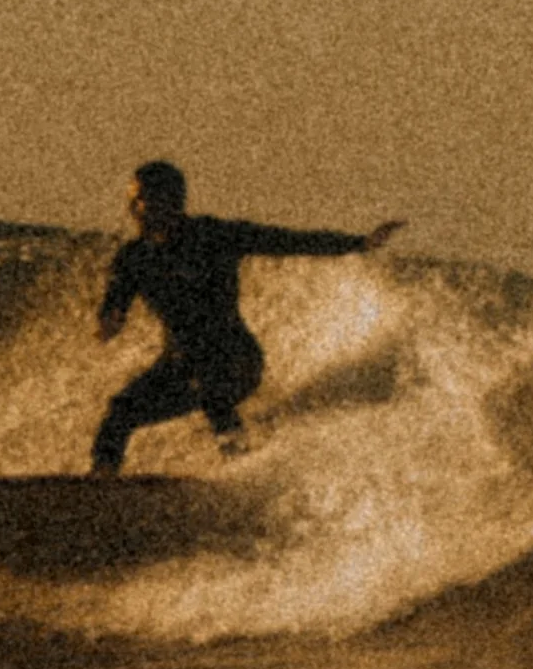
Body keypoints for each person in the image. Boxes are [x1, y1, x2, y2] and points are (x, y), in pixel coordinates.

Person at [90, 162, 402, 474]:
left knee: (212, 392)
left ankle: (240, 474)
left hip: (237, 360)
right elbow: (114, 304)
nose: (133, 208)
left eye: (140, 198)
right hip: (179, 364)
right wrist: (109, 322)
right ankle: (100, 486)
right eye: (131, 199)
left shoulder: (213, 235)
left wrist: (359, 243)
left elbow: (287, 241)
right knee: (121, 410)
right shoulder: (133, 257)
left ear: (170, 200)